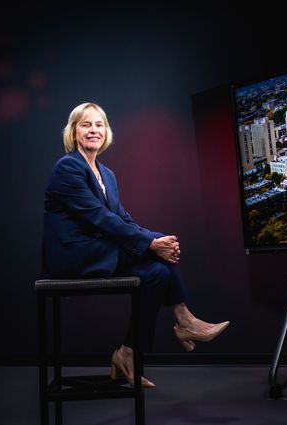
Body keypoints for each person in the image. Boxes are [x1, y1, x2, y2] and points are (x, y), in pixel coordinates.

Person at [41, 102, 229, 388]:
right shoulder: (68, 168)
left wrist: (159, 240)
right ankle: (185, 322)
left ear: (106, 131)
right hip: (76, 255)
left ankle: (127, 352)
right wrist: (153, 244)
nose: (94, 130)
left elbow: (124, 220)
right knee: (156, 257)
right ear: (73, 131)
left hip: (99, 249)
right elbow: (99, 218)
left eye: (99, 124)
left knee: (158, 273)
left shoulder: (107, 175)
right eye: (86, 124)